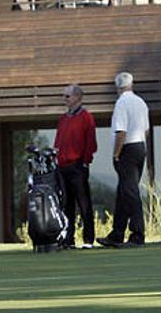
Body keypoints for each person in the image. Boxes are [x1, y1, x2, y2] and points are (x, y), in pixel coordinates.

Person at [97, 72, 150, 249]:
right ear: (132, 84)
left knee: (130, 192)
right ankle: (117, 234)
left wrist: (116, 154)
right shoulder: (141, 102)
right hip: (140, 146)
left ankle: (137, 234)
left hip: (127, 149)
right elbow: (146, 130)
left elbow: (121, 132)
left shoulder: (121, 103)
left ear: (117, 87)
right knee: (124, 191)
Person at [54, 84, 98, 249]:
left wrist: (85, 161)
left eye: (67, 96)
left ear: (77, 97)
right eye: (64, 96)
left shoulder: (86, 117)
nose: (64, 99)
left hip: (78, 165)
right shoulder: (63, 119)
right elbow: (58, 141)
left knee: (83, 202)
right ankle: (69, 239)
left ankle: (88, 239)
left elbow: (90, 141)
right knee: (67, 204)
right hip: (63, 166)